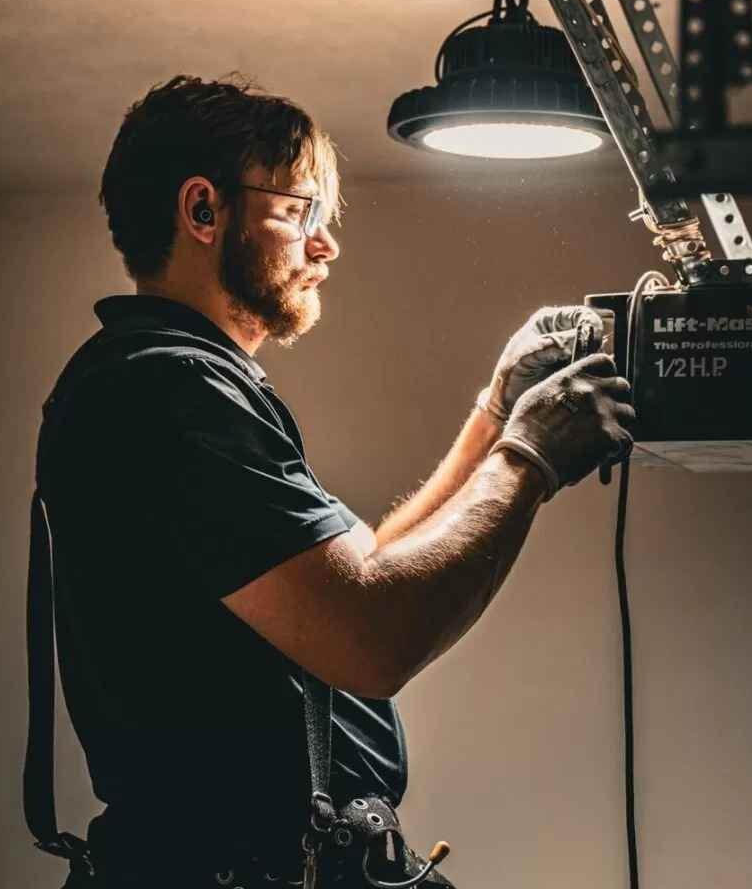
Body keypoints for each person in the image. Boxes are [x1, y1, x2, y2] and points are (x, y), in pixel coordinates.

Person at [34, 75, 634, 889]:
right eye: (300, 211)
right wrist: (527, 459)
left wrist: (496, 413)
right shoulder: (170, 393)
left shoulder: (170, 385)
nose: (326, 245)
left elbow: (366, 569)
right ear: (204, 211)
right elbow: (373, 633)